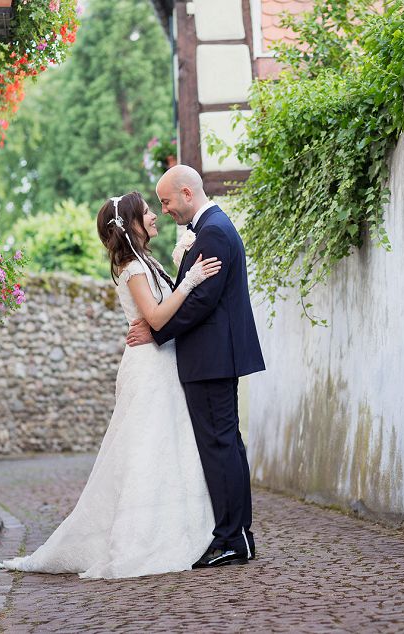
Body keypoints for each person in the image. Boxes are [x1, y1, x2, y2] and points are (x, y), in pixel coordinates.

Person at [0, 192, 221, 579]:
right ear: (132, 222)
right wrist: (189, 282)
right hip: (148, 367)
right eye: (148, 212)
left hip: (162, 363)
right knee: (145, 449)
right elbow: (153, 317)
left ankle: (187, 528)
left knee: (169, 445)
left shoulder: (145, 261)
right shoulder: (132, 266)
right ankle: (142, 537)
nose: (155, 216)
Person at [126, 165, 265, 568]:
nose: (164, 209)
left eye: (167, 201)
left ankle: (231, 539)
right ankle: (239, 535)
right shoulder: (211, 229)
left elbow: (201, 302)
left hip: (211, 357)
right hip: (214, 356)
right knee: (227, 445)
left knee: (220, 447)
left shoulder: (214, 232)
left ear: (187, 193)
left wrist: (157, 333)